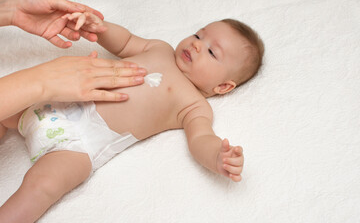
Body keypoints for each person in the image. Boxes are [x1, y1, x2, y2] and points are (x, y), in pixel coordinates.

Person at [0, 12, 264, 222]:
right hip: (57, 101)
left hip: (79, 146)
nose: (196, 45)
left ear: (223, 87)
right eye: (198, 35)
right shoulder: (160, 48)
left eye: (211, 52)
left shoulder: (194, 105)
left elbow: (201, 138)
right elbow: (125, 41)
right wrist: (99, 27)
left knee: (42, 187)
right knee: (5, 110)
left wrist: (218, 155)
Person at [0, 0, 147, 122]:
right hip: (36, 106)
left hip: (84, 130)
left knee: (8, 120)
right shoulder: (161, 49)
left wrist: (11, 7)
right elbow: (126, 43)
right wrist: (43, 80)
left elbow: (126, 44)